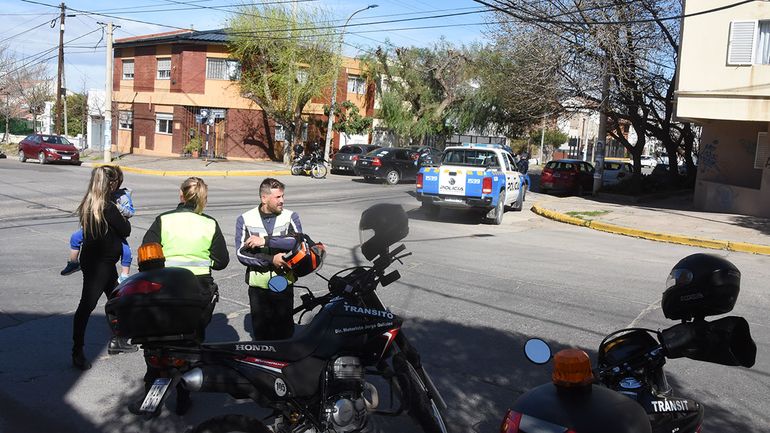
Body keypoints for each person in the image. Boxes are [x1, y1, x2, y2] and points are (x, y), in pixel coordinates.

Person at [136, 176, 229, 415]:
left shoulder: (164, 220)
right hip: (197, 292)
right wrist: (202, 259)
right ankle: (183, 398)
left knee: (155, 342)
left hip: (165, 289)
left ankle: (151, 393)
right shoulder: (209, 224)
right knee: (191, 344)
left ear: (181, 195)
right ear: (203, 199)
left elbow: (146, 254)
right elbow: (221, 262)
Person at [72, 166, 132, 371]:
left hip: (95, 261)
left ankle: (118, 341)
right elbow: (126, 230)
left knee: (116, 300)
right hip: (102, 264)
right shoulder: (108, 207)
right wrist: (122, 212)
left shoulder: (89, 203)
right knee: (87, 305)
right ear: (111, 184)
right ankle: (77, 352)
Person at [235, 177, 302, 340]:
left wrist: (265, 240)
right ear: (264, 198)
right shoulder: (245, 219)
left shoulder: (290, 216)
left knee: (285, 334)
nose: (282, 201)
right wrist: (270, 260)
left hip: (283, 282)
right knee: (262, 335)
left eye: (282, 196)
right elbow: (241, 253)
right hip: (258, 287)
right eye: (278, 197)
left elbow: (297, 242)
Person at [62, 178, 134, 283]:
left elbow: (130, 212)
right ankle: (73, 262)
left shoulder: (122, 196)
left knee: (126, 251)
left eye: (113, 182)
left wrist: (118, 207)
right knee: (75, 237)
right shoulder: (96, 194)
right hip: (95, 228)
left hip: (115, 230)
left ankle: (124, 275)